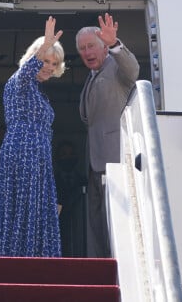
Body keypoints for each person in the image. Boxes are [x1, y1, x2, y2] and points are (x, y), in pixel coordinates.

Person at [0, 16, 65, 257]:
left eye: (54, 63)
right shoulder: (19, 82)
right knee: (23, 207)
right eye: (45, 60)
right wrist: (45, 45)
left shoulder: (37, 91)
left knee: (36, 208)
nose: (49, 66)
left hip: (38, 156)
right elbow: (26, 72)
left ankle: (36, 257)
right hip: (23, 152)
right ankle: (18, 257)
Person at [77, 13, 140, 258]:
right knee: (97, 225)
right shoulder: (91, 76)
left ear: (104, 46)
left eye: (91, 45)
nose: (86, 52)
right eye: (82, 49)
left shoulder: (115, 67)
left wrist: (115, 45)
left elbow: (133, 70)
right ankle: (98, 269)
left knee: (114, 223)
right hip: (94, 164)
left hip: (114, 159)